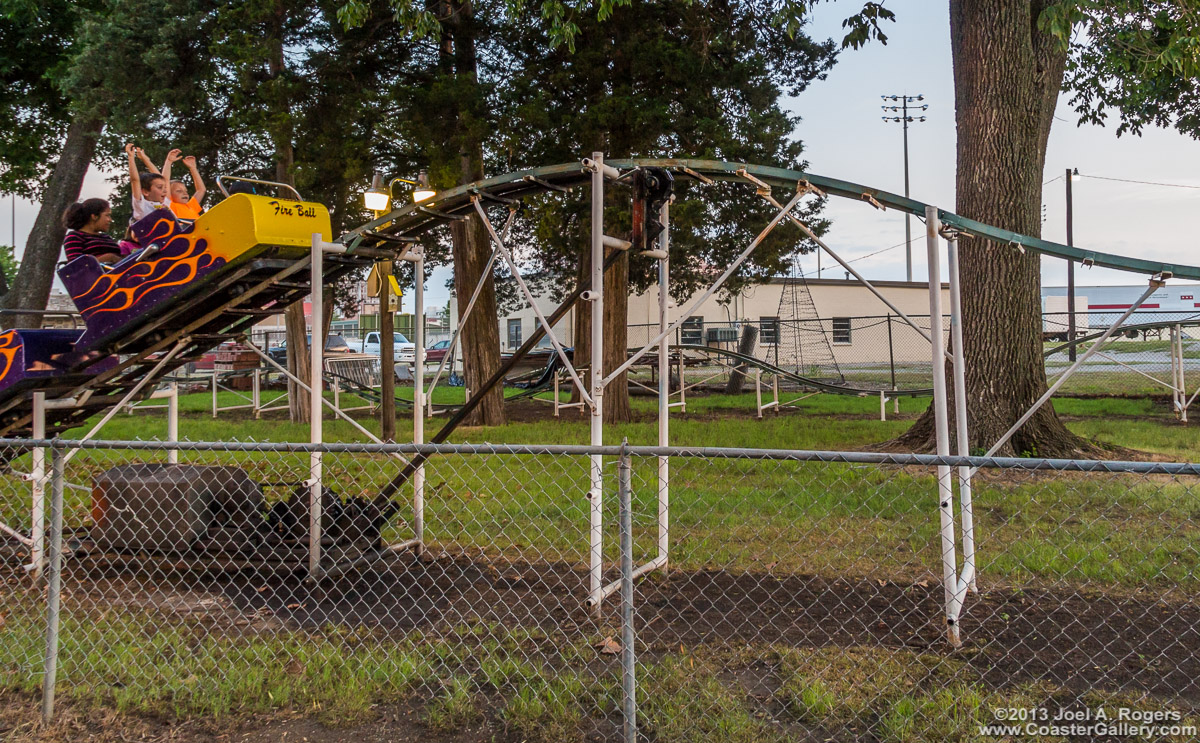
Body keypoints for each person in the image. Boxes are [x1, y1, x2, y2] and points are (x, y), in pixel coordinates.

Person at [125, 143, 174, 221]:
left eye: (165, 187)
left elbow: (163, 179)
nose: (165, 190)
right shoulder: (142, 205)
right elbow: (135, 181)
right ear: (145, 192)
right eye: (160, 187)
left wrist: (146, 160)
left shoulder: (164, 203)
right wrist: (131, 157)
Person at [62, 199, 121, 264]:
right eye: (107, 215)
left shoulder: (106, 237)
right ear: (94, 216)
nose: (110, 220)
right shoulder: (75, 237)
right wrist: (109, 258)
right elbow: (77, 266)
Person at [167, 155, 207, 220]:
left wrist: (193, 168)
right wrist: (169, 162)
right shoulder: (171, 206)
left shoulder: (191, 206)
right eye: (179, 191)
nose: (185, 193)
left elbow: (201, 190)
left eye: (186, 191)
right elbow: (165, 180)